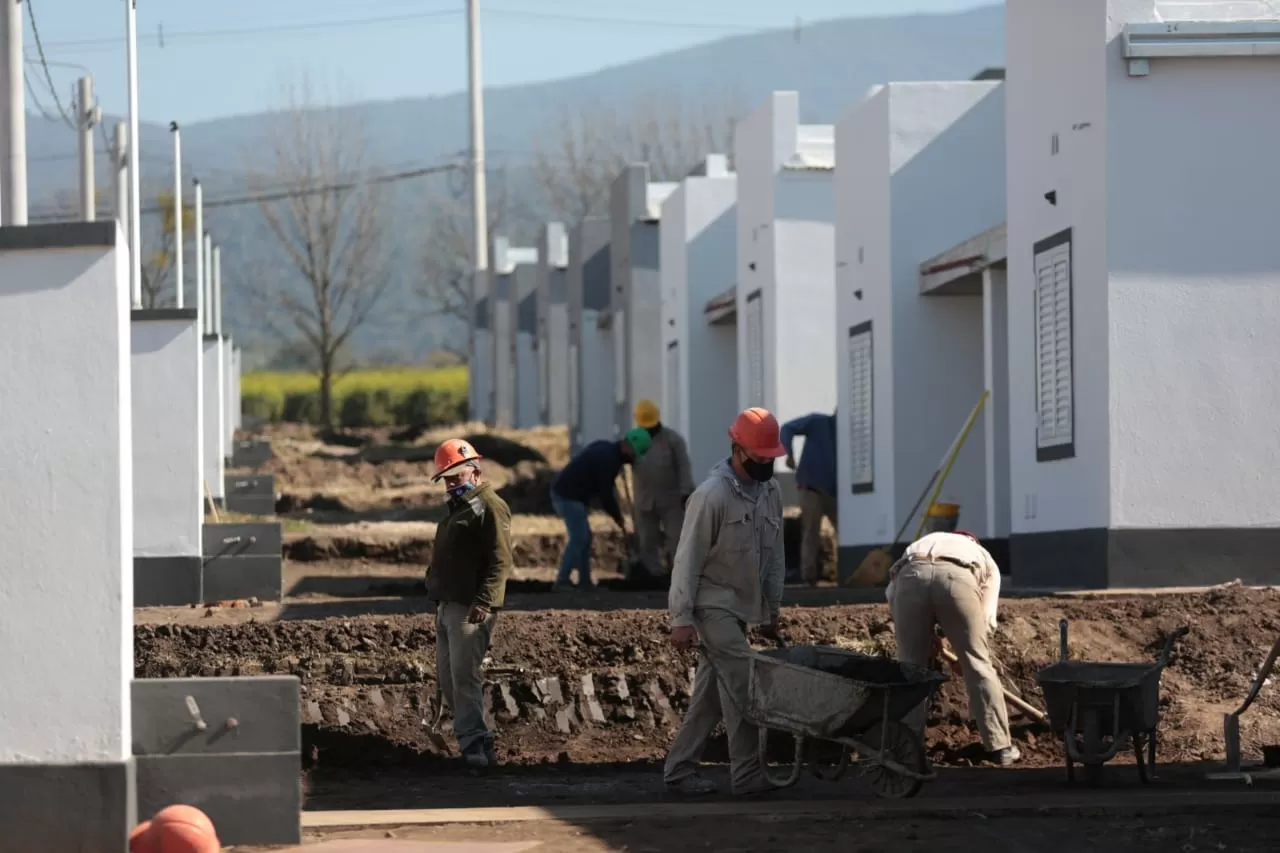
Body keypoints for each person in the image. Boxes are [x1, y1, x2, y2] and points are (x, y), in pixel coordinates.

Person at [663, 407, 788, 796]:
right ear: (737, 450)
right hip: (711, 604)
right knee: (743, 684)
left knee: (710, 697)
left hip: (742, 607)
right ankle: (748, 775)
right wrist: (681, 617)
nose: (767, 463)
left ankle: (679, 771)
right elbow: (688, 558)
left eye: (772, 458)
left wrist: (771, 610)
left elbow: (774, 555)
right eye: (760, 457)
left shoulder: (771, 492)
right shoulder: (711, 495)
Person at [886, 529, 1020, 766]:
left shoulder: (919, 544)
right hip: (957, 577)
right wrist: (967, 655)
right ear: (972, 540)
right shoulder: (983, 556)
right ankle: (1000, 747)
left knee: (909, 669)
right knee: (979, 665)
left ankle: (905, 749)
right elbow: (987, 620)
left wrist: (924, 637)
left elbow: (892, 594)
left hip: (910, 576)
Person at [425, 438, 514, 769]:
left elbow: (500, 560)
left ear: (475, 472)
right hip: (448, 604)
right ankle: (476, 742)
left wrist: (485, 601)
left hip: (470, 606)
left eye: (456, 478)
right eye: (446, 480)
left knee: (464, 676)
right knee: (448, 678)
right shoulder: (461, 508)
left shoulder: (490, 506)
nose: (450, 485)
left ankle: (475, 743)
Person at [550, 428, 652, 590]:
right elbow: (605, 493)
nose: (632, 459)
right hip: (567, 496)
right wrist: (617, 517)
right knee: (579, 537)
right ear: (627, 446)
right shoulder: (609, 460)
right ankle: (562, 580)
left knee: (585, 538)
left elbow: (606, 487)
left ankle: (585, 582)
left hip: (573, 496)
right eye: (633, 454)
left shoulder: (607, 449)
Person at [630, 399, 696, 578]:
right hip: (644, 499)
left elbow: (684, 466)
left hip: (672, 500)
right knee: (647, 541)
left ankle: (680, 576)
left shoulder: (673, 440)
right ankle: (653, 575)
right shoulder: (633, 440)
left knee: (677, 539)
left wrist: (686, 492)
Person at [780, 410, 838, 585]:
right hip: (811, 488)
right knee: (811, 531)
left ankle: (838, 573)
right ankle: (809, 577)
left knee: (845, 530)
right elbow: (787, 428)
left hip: (834, 492)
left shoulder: (847, 434)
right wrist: (789, 453)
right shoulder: (817, 422)